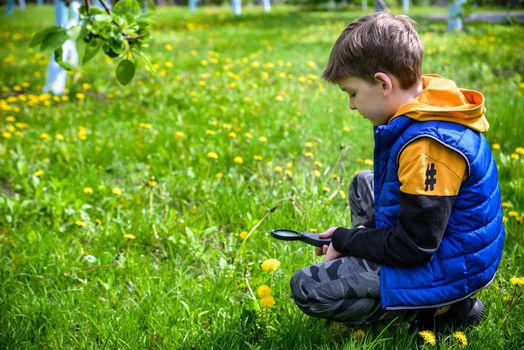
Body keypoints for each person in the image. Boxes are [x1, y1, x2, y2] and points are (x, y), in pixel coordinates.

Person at [290, 11, 504, 332]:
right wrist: (355, 239)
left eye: (352, 93)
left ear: (383, 83)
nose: (351, 105)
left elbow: (413, 248)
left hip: (452, 267)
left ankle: (440, 312)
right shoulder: (426, 101)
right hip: (446, 249)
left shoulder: (428, 147)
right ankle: (421, 297)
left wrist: (348, 241)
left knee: (307, 287)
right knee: (364, 183)